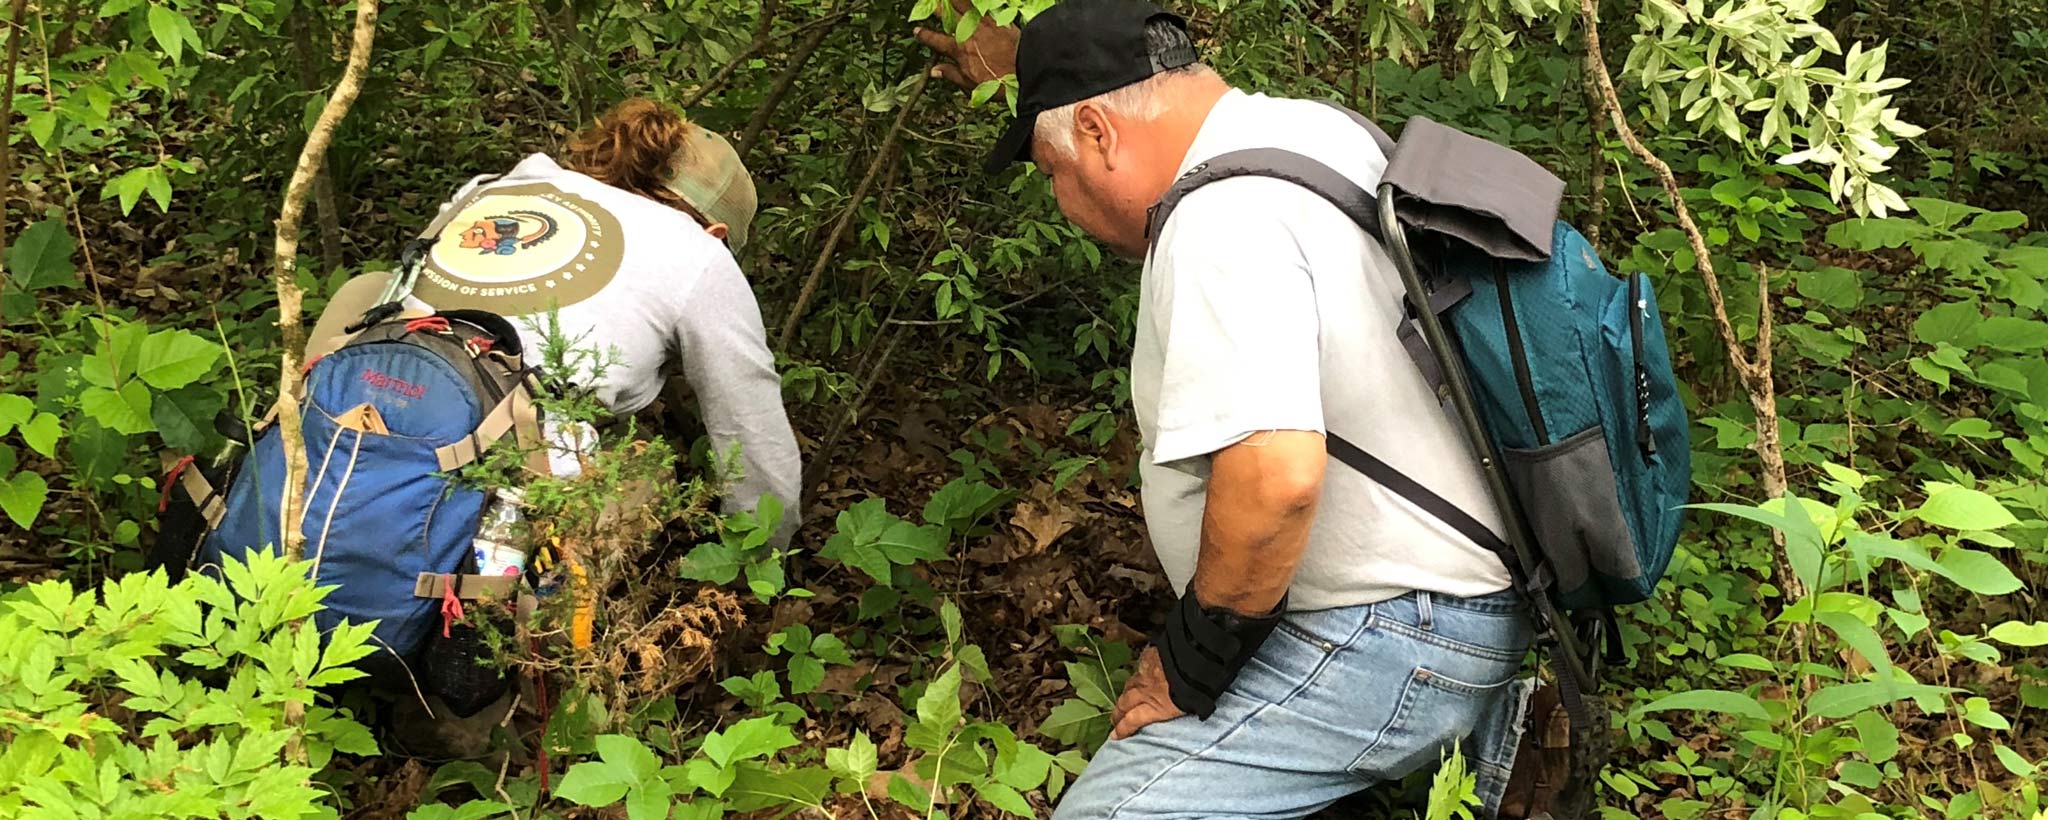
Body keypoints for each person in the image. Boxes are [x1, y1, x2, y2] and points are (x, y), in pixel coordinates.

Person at [922, 2, 1537, 817]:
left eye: (1050, 172)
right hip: (1471, 598)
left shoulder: (1219, 220)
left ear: (1100, 132)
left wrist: (1191, 664)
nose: (1062, 200)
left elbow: (1276, 480)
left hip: (1400, 634)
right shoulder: (1317, 136)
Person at [310, 98, 801, 546]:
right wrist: (762, 564)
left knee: (364, 289)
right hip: (496, 461)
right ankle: (543, 623)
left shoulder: (494, 189)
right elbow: (755, 442)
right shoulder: (699, 253)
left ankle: (273, 454)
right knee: (648, 470)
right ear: (717, 231)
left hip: (365, 405)